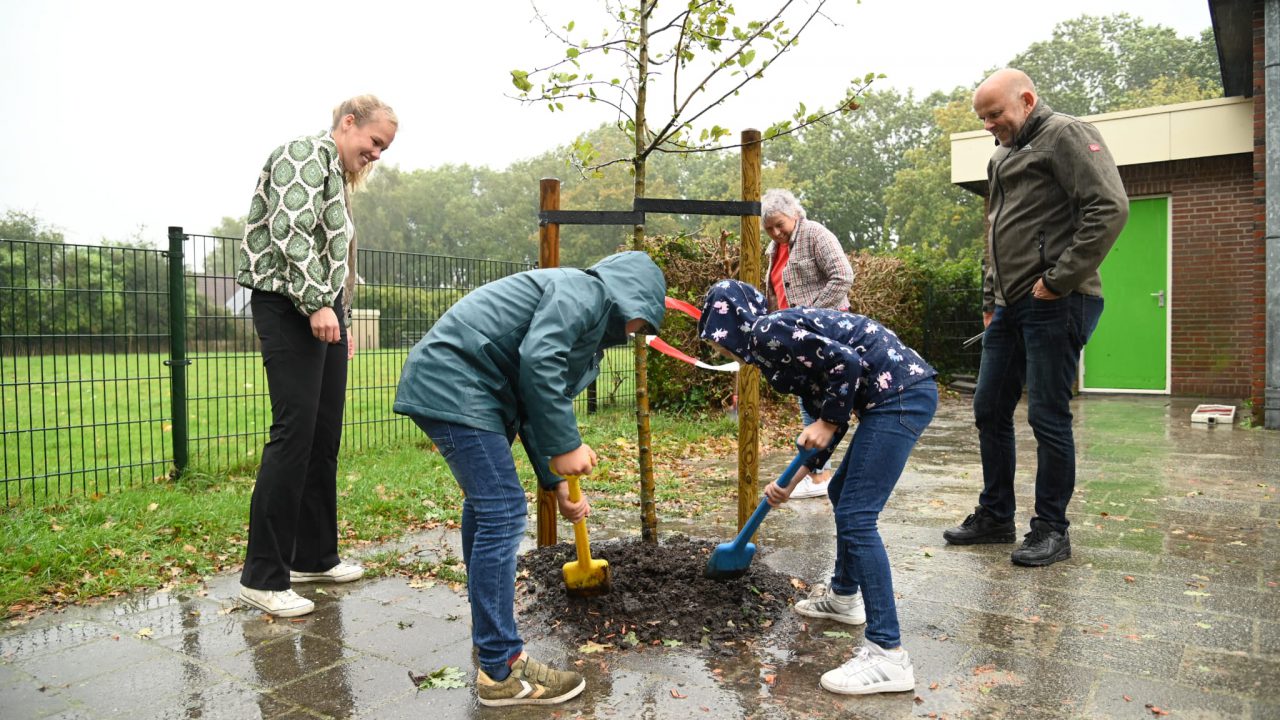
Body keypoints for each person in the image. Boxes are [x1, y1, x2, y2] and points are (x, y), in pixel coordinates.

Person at [393, 251, 665, 707]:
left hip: (465, 385)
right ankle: (501, 669)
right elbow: (539, 361)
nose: (639, 332)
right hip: (458, 380)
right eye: (643, 321)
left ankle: (490, 646)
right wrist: (568, 445)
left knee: (488, 508)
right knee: (502, 511)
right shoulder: (585, 291)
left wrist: (556, 481)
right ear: (631, 296)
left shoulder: (587, 326)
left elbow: (533, 403)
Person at [699, 280, 937, 696]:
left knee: (858, 516)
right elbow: (831, 406)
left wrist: (825, 422)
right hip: (893, 395)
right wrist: (791, 480)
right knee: (843, 495)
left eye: (717, 340)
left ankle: (888, 653)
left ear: (729, 321)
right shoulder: (771, 349)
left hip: (900, 395)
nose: (719, 351)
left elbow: (846, 365)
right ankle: (844, 597)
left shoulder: (766, 333)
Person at [942, 69, 1128, 567]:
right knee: (988, 408)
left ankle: (1051, 529)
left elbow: (1109, 208)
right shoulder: (1001, 154)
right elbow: (996, 233)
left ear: (1026, 100)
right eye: (982, 118)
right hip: (1009, 305)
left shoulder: (1066, 134)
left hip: (1057, 299)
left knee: (1047, 415)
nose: (988, 125)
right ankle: (996, 516)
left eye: (995, 114)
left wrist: (1058, 279)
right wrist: (990, 297)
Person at [234, 95, 398, 617]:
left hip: (325, 314)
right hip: (290, 307)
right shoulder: (304, 154)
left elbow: (332, 251)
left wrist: (338, 313)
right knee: (294, 434)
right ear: (348, 124)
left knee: (323, 435)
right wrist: (317, 303)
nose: (376, 155)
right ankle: (262, 576)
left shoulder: (336, 175)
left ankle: (314, 556)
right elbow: (290, 234)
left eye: (383, 149)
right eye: (374, 142)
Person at [761, 188, 855, 499]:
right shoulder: (773, 251)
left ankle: (818, 475)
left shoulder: (815, 233)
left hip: (823, 334)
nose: (776, 233)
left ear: (795, 214)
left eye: (780, 224)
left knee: (816, 404)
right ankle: (818, 473)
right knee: (808, 402)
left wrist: (811, 316)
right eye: (769, 229)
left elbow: (842, 276)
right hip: (797, 341)